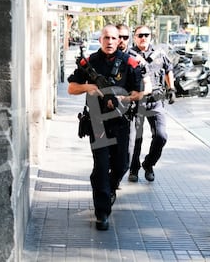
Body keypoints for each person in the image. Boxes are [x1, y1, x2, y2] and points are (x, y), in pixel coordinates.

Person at [67, 24, 143, 231]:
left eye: (113, 38)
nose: (109, 42)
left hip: (121, 121)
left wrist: (123, 97)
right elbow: (71, 88)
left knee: (123, 165)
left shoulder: (129, 62)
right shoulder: (90, 62)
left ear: (119, 40)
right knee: (101, 166)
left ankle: (108, 186)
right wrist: (88, 87)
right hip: (97, 122)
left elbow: (139, 92)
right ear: (100, 40)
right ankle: (102, 212)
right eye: (105, 38)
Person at [128, 25, 176, 183]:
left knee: (161, 136)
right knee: (136, 139)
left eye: (146, 35)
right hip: (136, 103)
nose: (143, 38)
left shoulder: (159, 53)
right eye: (140, 35)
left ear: (151, 36)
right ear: (134, 37)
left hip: (155, 102)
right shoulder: (128, 55)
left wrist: (172, 88)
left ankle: (149, 164)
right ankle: (133, 170)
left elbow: (169, 69)